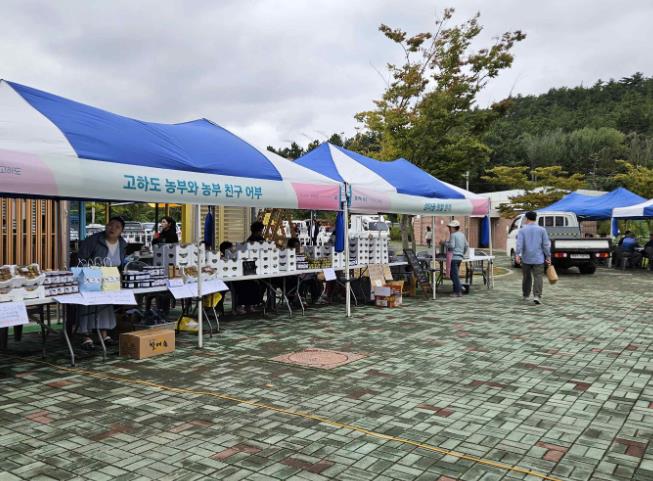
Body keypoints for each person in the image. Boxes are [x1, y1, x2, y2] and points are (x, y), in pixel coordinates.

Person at [77, 216, 127, 350]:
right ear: (106, 226)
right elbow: (81, 259)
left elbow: (121, 262)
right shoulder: (93, 240)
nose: (113, 228)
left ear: (121, 230)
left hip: (110, 279)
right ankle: (86, 337)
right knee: (87, 305)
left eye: (117, 227)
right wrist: (90, 271)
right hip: (91, 277)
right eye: (110, 225)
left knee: (105, 305)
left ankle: (104, 335)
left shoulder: (122, 243)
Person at [515, 211, 551, 305]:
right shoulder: (542, 230)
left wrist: (517, 255)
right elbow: (546, 245)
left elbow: (519, 244)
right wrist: (548, 256)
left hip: (526, 258)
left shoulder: (522, 230)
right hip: (538, 258)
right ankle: (537, 296)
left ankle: (526, 295)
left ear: (526, 218)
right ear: (535, 218)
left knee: (526, 277)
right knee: (538, 277)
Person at [446, 220, 468, 298]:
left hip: (454, 257)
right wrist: (462, 253)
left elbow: (451, 246)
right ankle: (457, 290)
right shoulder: (462, 235)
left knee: (454, 275)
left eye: (450, 227)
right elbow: (466, 245)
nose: (449, 229)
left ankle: (459, 291)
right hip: (459, 257)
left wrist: (445, 243)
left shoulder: (453, 235)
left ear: (454, 228)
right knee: (454, 274)